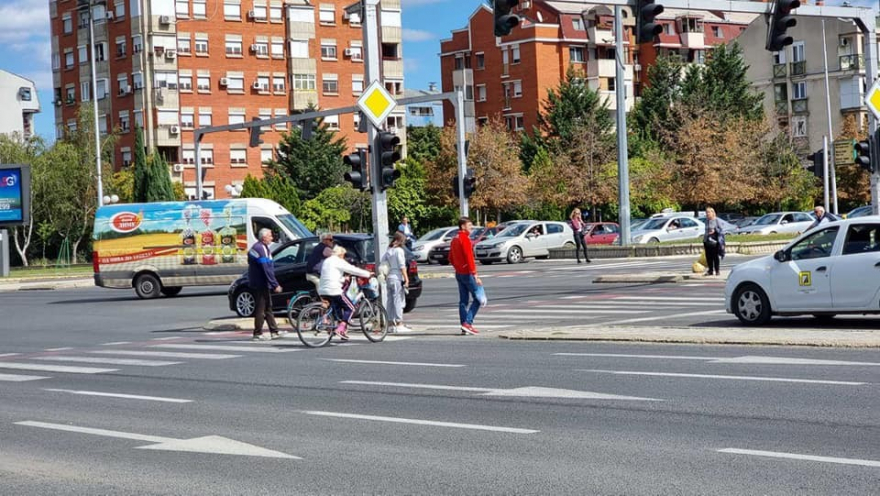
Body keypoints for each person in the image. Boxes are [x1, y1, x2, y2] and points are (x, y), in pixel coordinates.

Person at [318, 245, 371, 341]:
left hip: (322, 289)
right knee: (350, 308)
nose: (344, 257)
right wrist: (367, 274)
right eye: (343, 255)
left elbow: (331, 275)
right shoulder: (338, 261)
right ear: (340, 254)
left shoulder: (327, 261)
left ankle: (337, 328)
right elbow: (352, 269)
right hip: (333, 290)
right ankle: (341, 327)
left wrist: (342, 279)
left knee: (337, 308)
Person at [448, 216, 481, 335]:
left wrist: (458, 267)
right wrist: (475, 274)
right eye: (469, 225)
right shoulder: (465, 239)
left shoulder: (454, 239)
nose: (471, 228)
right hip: (467, 273)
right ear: (463, 226)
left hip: (459, 273)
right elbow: (469, 257)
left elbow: (450, 257)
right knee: (478, 299)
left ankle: (464, 325)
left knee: (463, 301)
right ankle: (468, 323)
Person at [248, 228, 282, 341]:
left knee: (268, 307)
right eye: (270, 236)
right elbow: (266, 268)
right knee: (261, 308)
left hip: (262, 282)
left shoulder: (262, 247)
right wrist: (275, 284)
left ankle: (274, 331)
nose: (272, 238)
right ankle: (257, 333)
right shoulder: (259, 248)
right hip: (260, 283)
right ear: (264, 237)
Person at [383, 231, 411, 333]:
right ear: (400, 240)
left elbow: (383, 262)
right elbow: (402, 266)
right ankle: (399, 323)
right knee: (398, 300)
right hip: (396, 277)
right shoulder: (399, 251)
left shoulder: (389, 250)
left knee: (390, 301)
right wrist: (406, 279)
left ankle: (390, 323)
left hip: (389, 277)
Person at [703, 207, 724, 277]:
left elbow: (721, 230)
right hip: (706, 240)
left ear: (712, 213)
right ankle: (710, 270)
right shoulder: (706, 221)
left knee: (715, 256)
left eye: (708, 212)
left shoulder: (716, 220)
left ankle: (717, 270)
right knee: (708, 256)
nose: (707, 214)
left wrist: (715, 230)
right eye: (706, 212)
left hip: (714, 241)